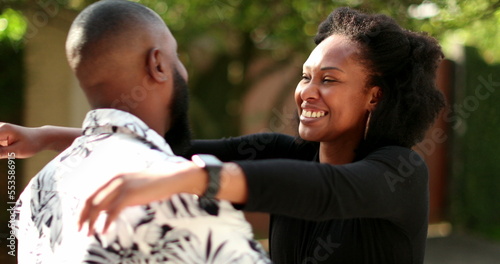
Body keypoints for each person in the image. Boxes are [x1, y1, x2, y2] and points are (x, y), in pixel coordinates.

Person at [1, 6, 445, 264]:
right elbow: (169, 151)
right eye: (305, 76)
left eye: (328, 79)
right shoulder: (286, 152)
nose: (307, 91)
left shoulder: (401, 171)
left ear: (374, 97)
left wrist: (194, 179)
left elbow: (328, 191)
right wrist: (44, 136)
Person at [9, 1, 270, 263]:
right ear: (157, 64)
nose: (184, 71)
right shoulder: (175, 192)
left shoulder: (37, 190)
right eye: (176, 55)